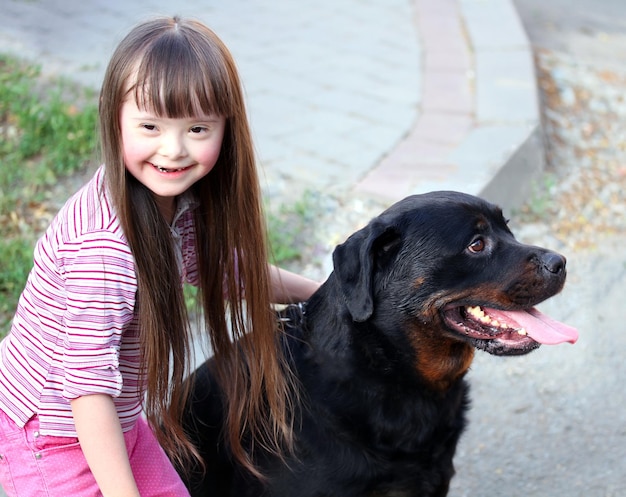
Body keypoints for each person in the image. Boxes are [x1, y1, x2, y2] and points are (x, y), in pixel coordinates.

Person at [0, 16, 320, 497]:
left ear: (225, 129)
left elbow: (227, 273)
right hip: (53, 432)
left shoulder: (171, 205)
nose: (173, 150)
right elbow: (88, 393)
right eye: (150, 126)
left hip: (117, 416)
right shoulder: (102, 249)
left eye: (196, 128)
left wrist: (325, 295)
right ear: (115, 119)